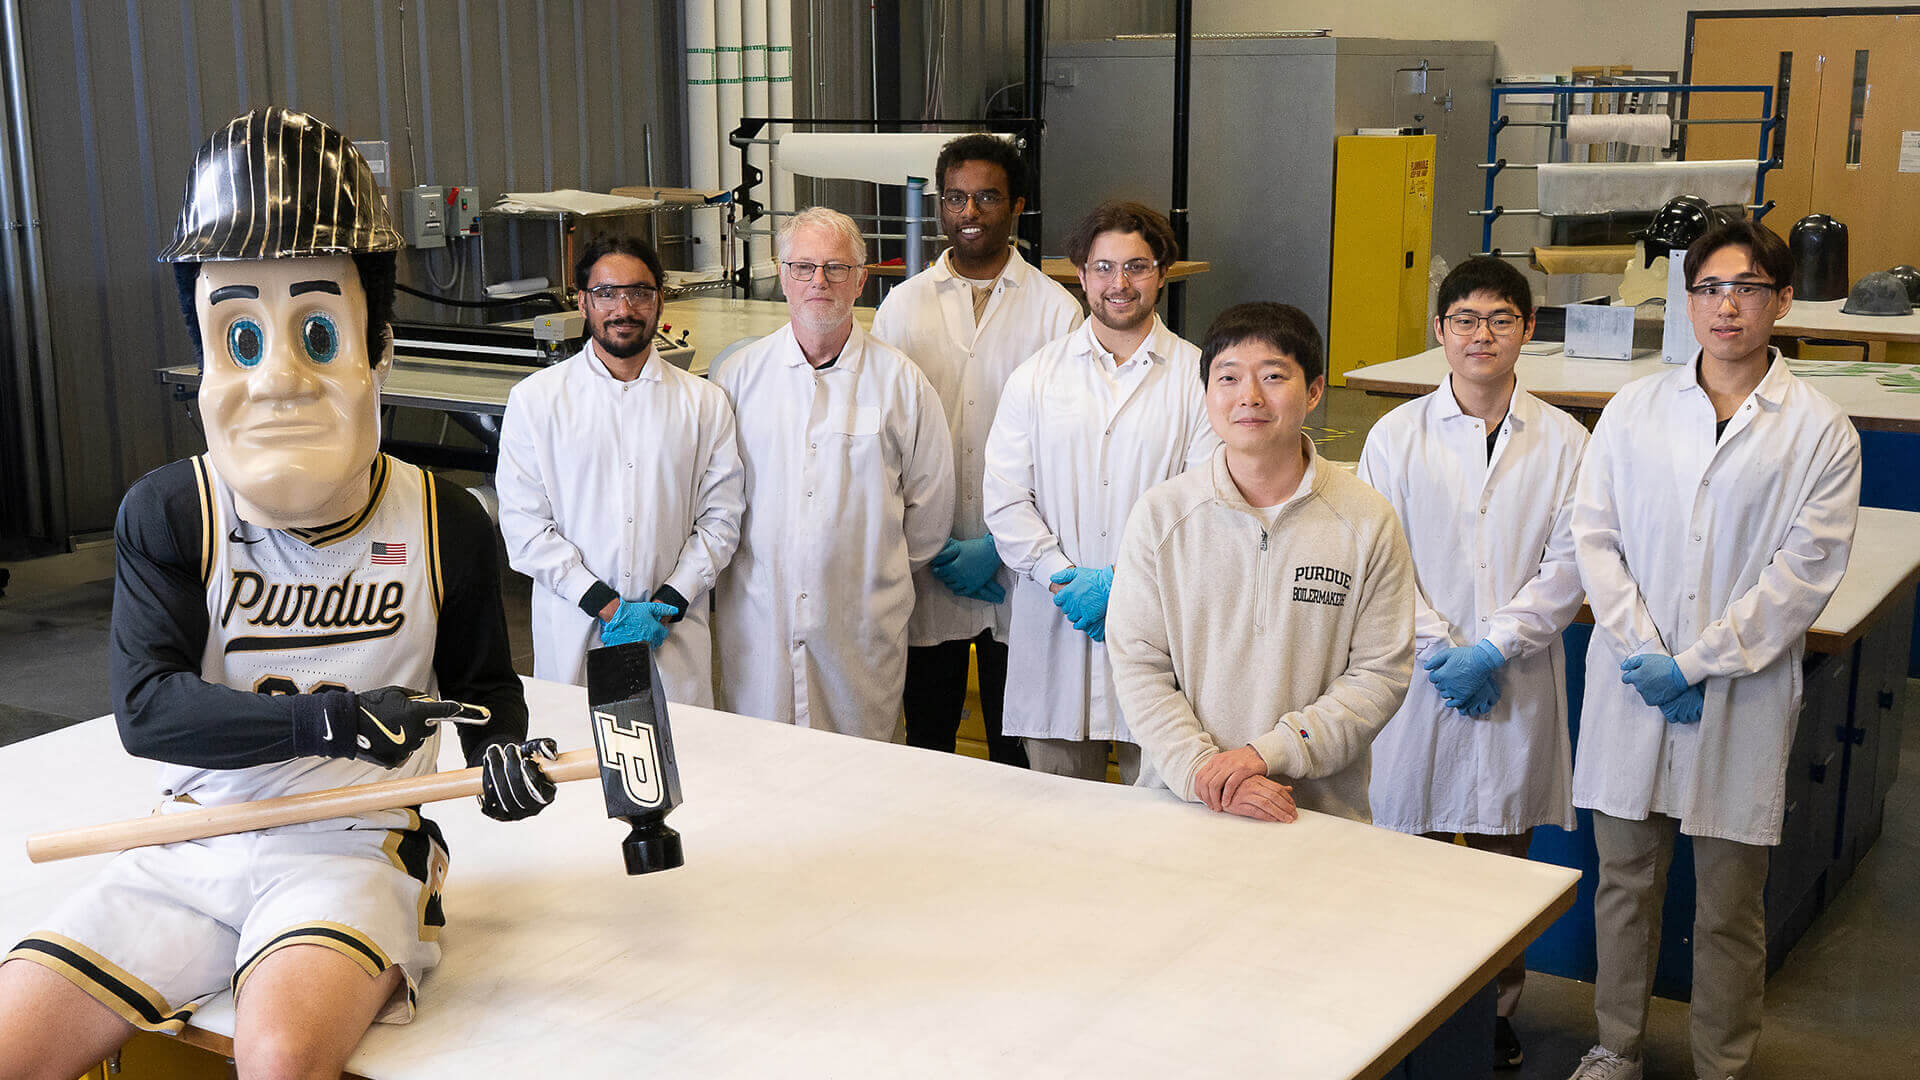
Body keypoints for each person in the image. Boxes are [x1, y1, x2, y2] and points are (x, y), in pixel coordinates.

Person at [0, 109, 552, 1079]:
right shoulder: (173, 511)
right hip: (195, 833)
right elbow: (147, 710)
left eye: (317, 330)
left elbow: (484, 695)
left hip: (354, 844)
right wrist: (332, 724)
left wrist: (511, 768)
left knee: (280, 1057)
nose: (279, 379)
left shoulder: (443, 519)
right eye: (242, 336)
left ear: (378, 346)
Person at [1565, 219, 1860, 1080]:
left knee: (1730, 904)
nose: (1728, 306)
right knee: (1623, 885)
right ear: (1685, 300)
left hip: (1739, 692)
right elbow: (1596, 538)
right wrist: (1645, 652)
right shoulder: (1635, 409)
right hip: (1632, 683)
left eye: (1749, 288)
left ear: (1783, 299)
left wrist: (1696, 664)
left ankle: (1720, 1064)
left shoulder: (1818, 430)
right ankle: (1614, 1045)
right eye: (1710, 289)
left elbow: (1805, 572)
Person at [1357, 256, 1587, 1070]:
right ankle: (1395, 1009)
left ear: (1527, 330)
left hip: (1514, 678)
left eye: (1499, 319)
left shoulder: (1564, 440)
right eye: (1464, 319)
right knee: (1402, 851)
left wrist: (1495, 645)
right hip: (1414, 680)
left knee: (1500, 871)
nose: (1480, 335)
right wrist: (1439, 646)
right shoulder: (1395, 436)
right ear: (1440, 331)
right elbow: (1378, 557)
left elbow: (1570, 564)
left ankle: (1493, 1014)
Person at [1107, 301, 1413, 824]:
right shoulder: (1163, 516)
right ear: (1206, 395)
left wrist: (1266, 755)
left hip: (1315, 812)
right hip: (1180, 805)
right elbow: (1139, 665)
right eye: (1228, 378)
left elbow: (1378, 674)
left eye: (1273, 376)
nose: (1249, 397)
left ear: (1314, 391)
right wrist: (1204, 772)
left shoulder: (1367, 520)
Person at [983, 201, 1220, 782]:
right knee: (1057, 833)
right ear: (1081, 275)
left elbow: (1207, 504)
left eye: (1137, 267)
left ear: (1163, 273)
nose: (1120, 284)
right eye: (1104, 268)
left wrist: (1123, 583)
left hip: (1161, 637)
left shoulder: (1201, 380)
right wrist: (1062, 576)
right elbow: (1007, 497)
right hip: (1054, 631)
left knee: (1165, 829)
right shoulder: (1036, 377)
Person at [870, 133, 1080, 767]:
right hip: (926, 557)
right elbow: (884, 438)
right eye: (955, 197)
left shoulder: (1056, 312)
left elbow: (1064, 446)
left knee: (1015, 742)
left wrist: (1001, 542)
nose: (969, 212)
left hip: (1020, 562)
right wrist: (925, 541)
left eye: (986, 197)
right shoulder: (902, 306)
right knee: (928, 738)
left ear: (1017, 206)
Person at [709, 206, 955, 741]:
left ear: (861, 279)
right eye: (803, 267)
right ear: (782, 275)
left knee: (861, 776)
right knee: (759, 765)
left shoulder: (901, 384)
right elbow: (716, 502)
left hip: (861, 628)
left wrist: (861, 574)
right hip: (758, 623)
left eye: (836, 268)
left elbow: (929, 514)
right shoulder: (738, 378)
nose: (818, 281)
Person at [497, 234, 744, 707]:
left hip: (671, 632)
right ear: (582, 300)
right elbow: (525, 528)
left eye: (639, 292)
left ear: (659, 299)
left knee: (687, 764)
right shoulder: (537, 401)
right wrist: (606, 606)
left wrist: (670, 600)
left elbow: (722, 518)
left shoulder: (703, 403)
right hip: (576, 627)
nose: (623, 307)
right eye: (606, 293)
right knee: (577, 764)